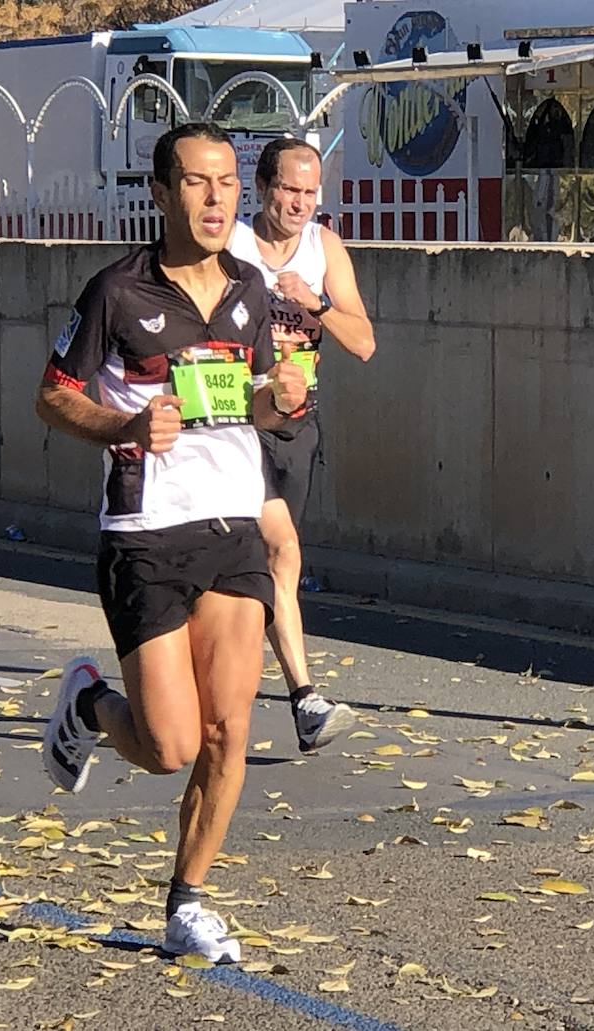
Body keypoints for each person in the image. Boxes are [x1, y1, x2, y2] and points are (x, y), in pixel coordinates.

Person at [35, 122, 308, 963]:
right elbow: (53, 396)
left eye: (227, 181)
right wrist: (125, 422)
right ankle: (87, 705)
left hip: (230, 523)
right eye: (197, 182)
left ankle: (186, 900)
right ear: (160, 194)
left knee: (229, 731)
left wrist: (283, 395)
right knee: (170, 745)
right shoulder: (116, 293)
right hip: (146, 530)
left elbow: (255, 402)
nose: (218, 196)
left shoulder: (252, 294)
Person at [226, 136, 376, 753]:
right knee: (280, 551)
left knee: (263, 568)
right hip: (232, 423)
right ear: (263, 187)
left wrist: (312, 304)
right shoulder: (230, 245)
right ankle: (304, 696)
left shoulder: (323, 248)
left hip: (295, 423)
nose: (299, 203)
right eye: (289, 189)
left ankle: (198, 682)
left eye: (310, 192)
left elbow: (364, 341)